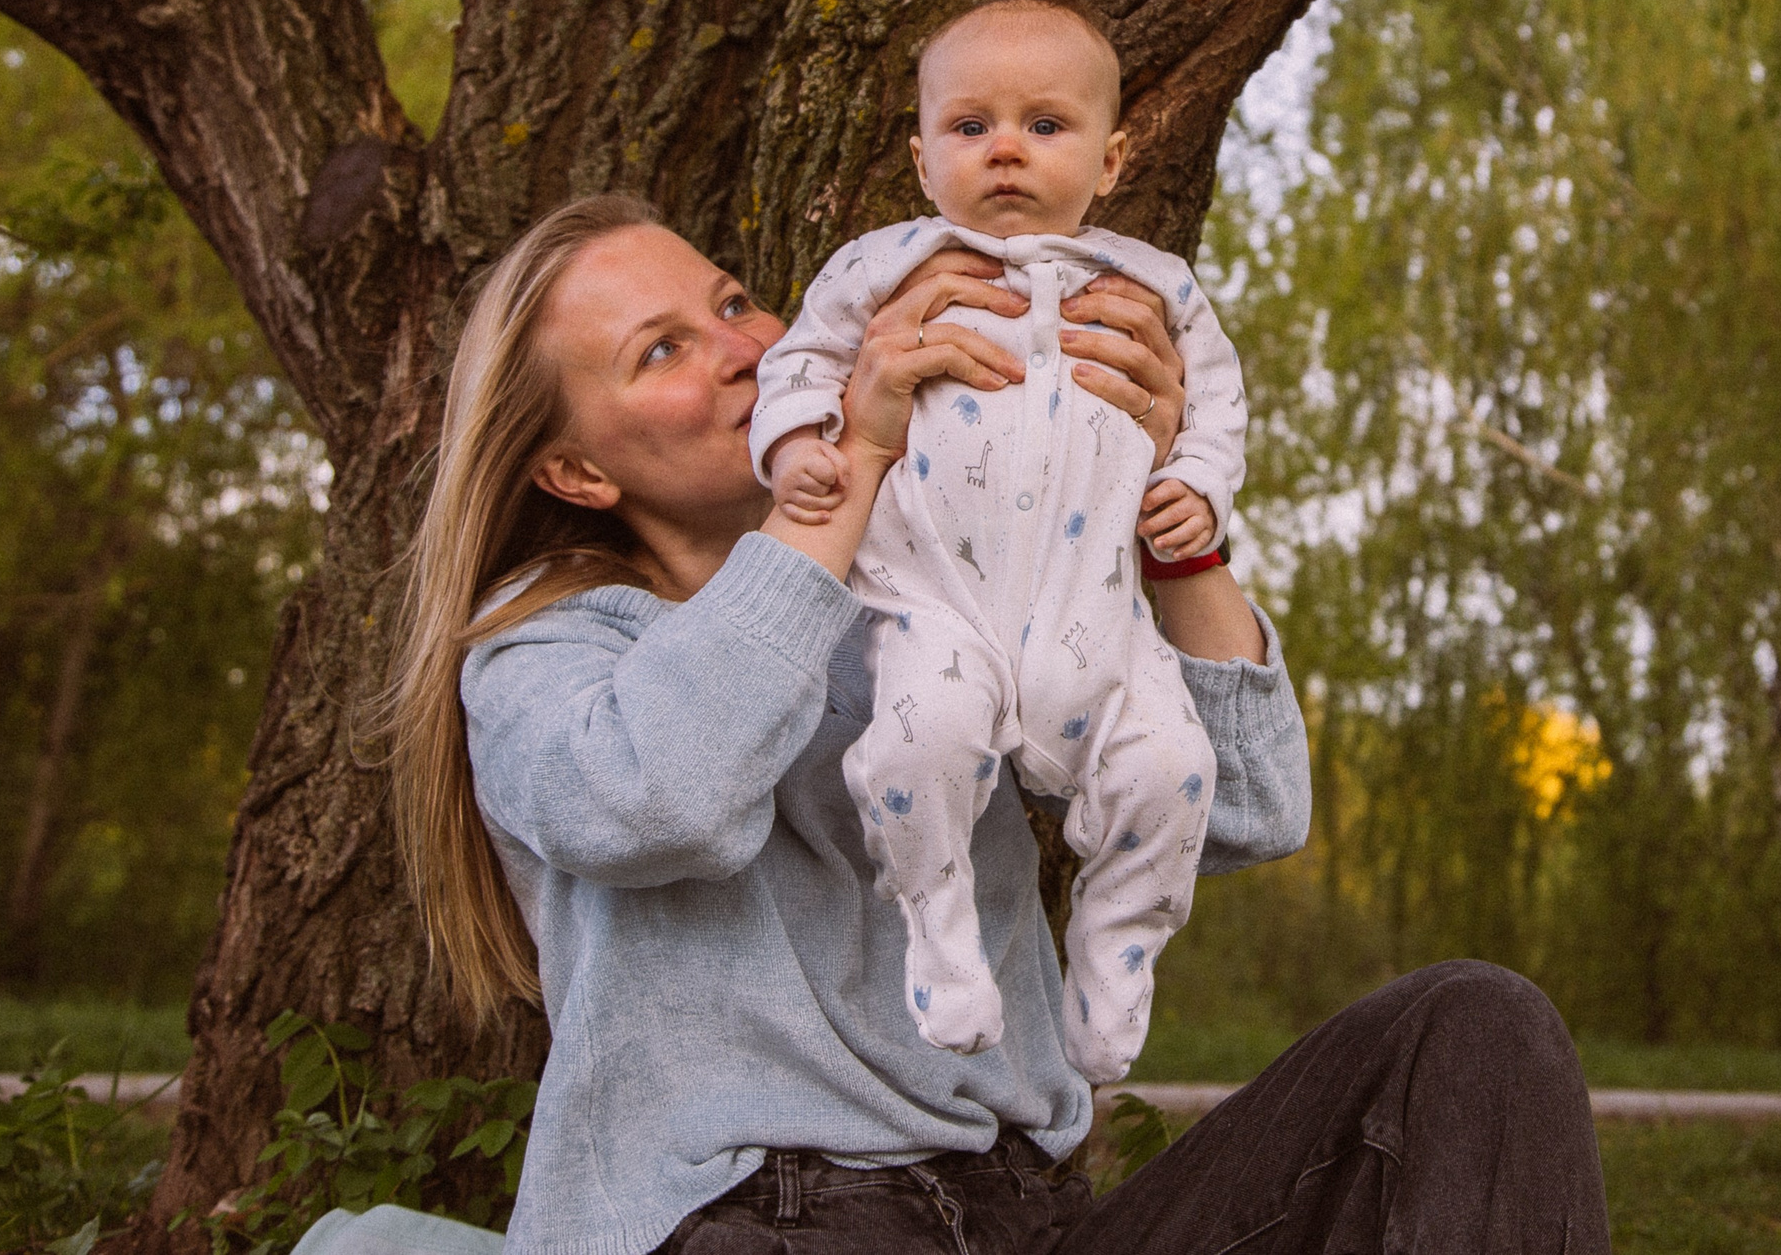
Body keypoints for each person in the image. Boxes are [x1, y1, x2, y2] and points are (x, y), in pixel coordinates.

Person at [374, 194, 1612, 1255]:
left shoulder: (937, 593)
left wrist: (1165, 500)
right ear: (577, 473)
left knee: (1470, 1033)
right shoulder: (547, 646)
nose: (747, 347)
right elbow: (656, 803)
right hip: (749, 1216)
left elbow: (1248, 805)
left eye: (734, 300)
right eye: (661, 352)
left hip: (1027, 1215)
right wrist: (849, 464)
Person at [749, 0, 1242, 1082]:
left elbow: (1216, 405)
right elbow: (795, 366)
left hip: (1098, 621)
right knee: (917, 749)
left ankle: (1118, 939)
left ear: (1111, 161)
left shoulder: (1153, 285)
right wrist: (794, 448)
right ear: (923, 160)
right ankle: (938, 929)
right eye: (970, 127)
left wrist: (1197, 489)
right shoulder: (879, 269)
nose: (1006, 149)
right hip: (935, 608)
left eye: (1045, 126)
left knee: (1172, 768)